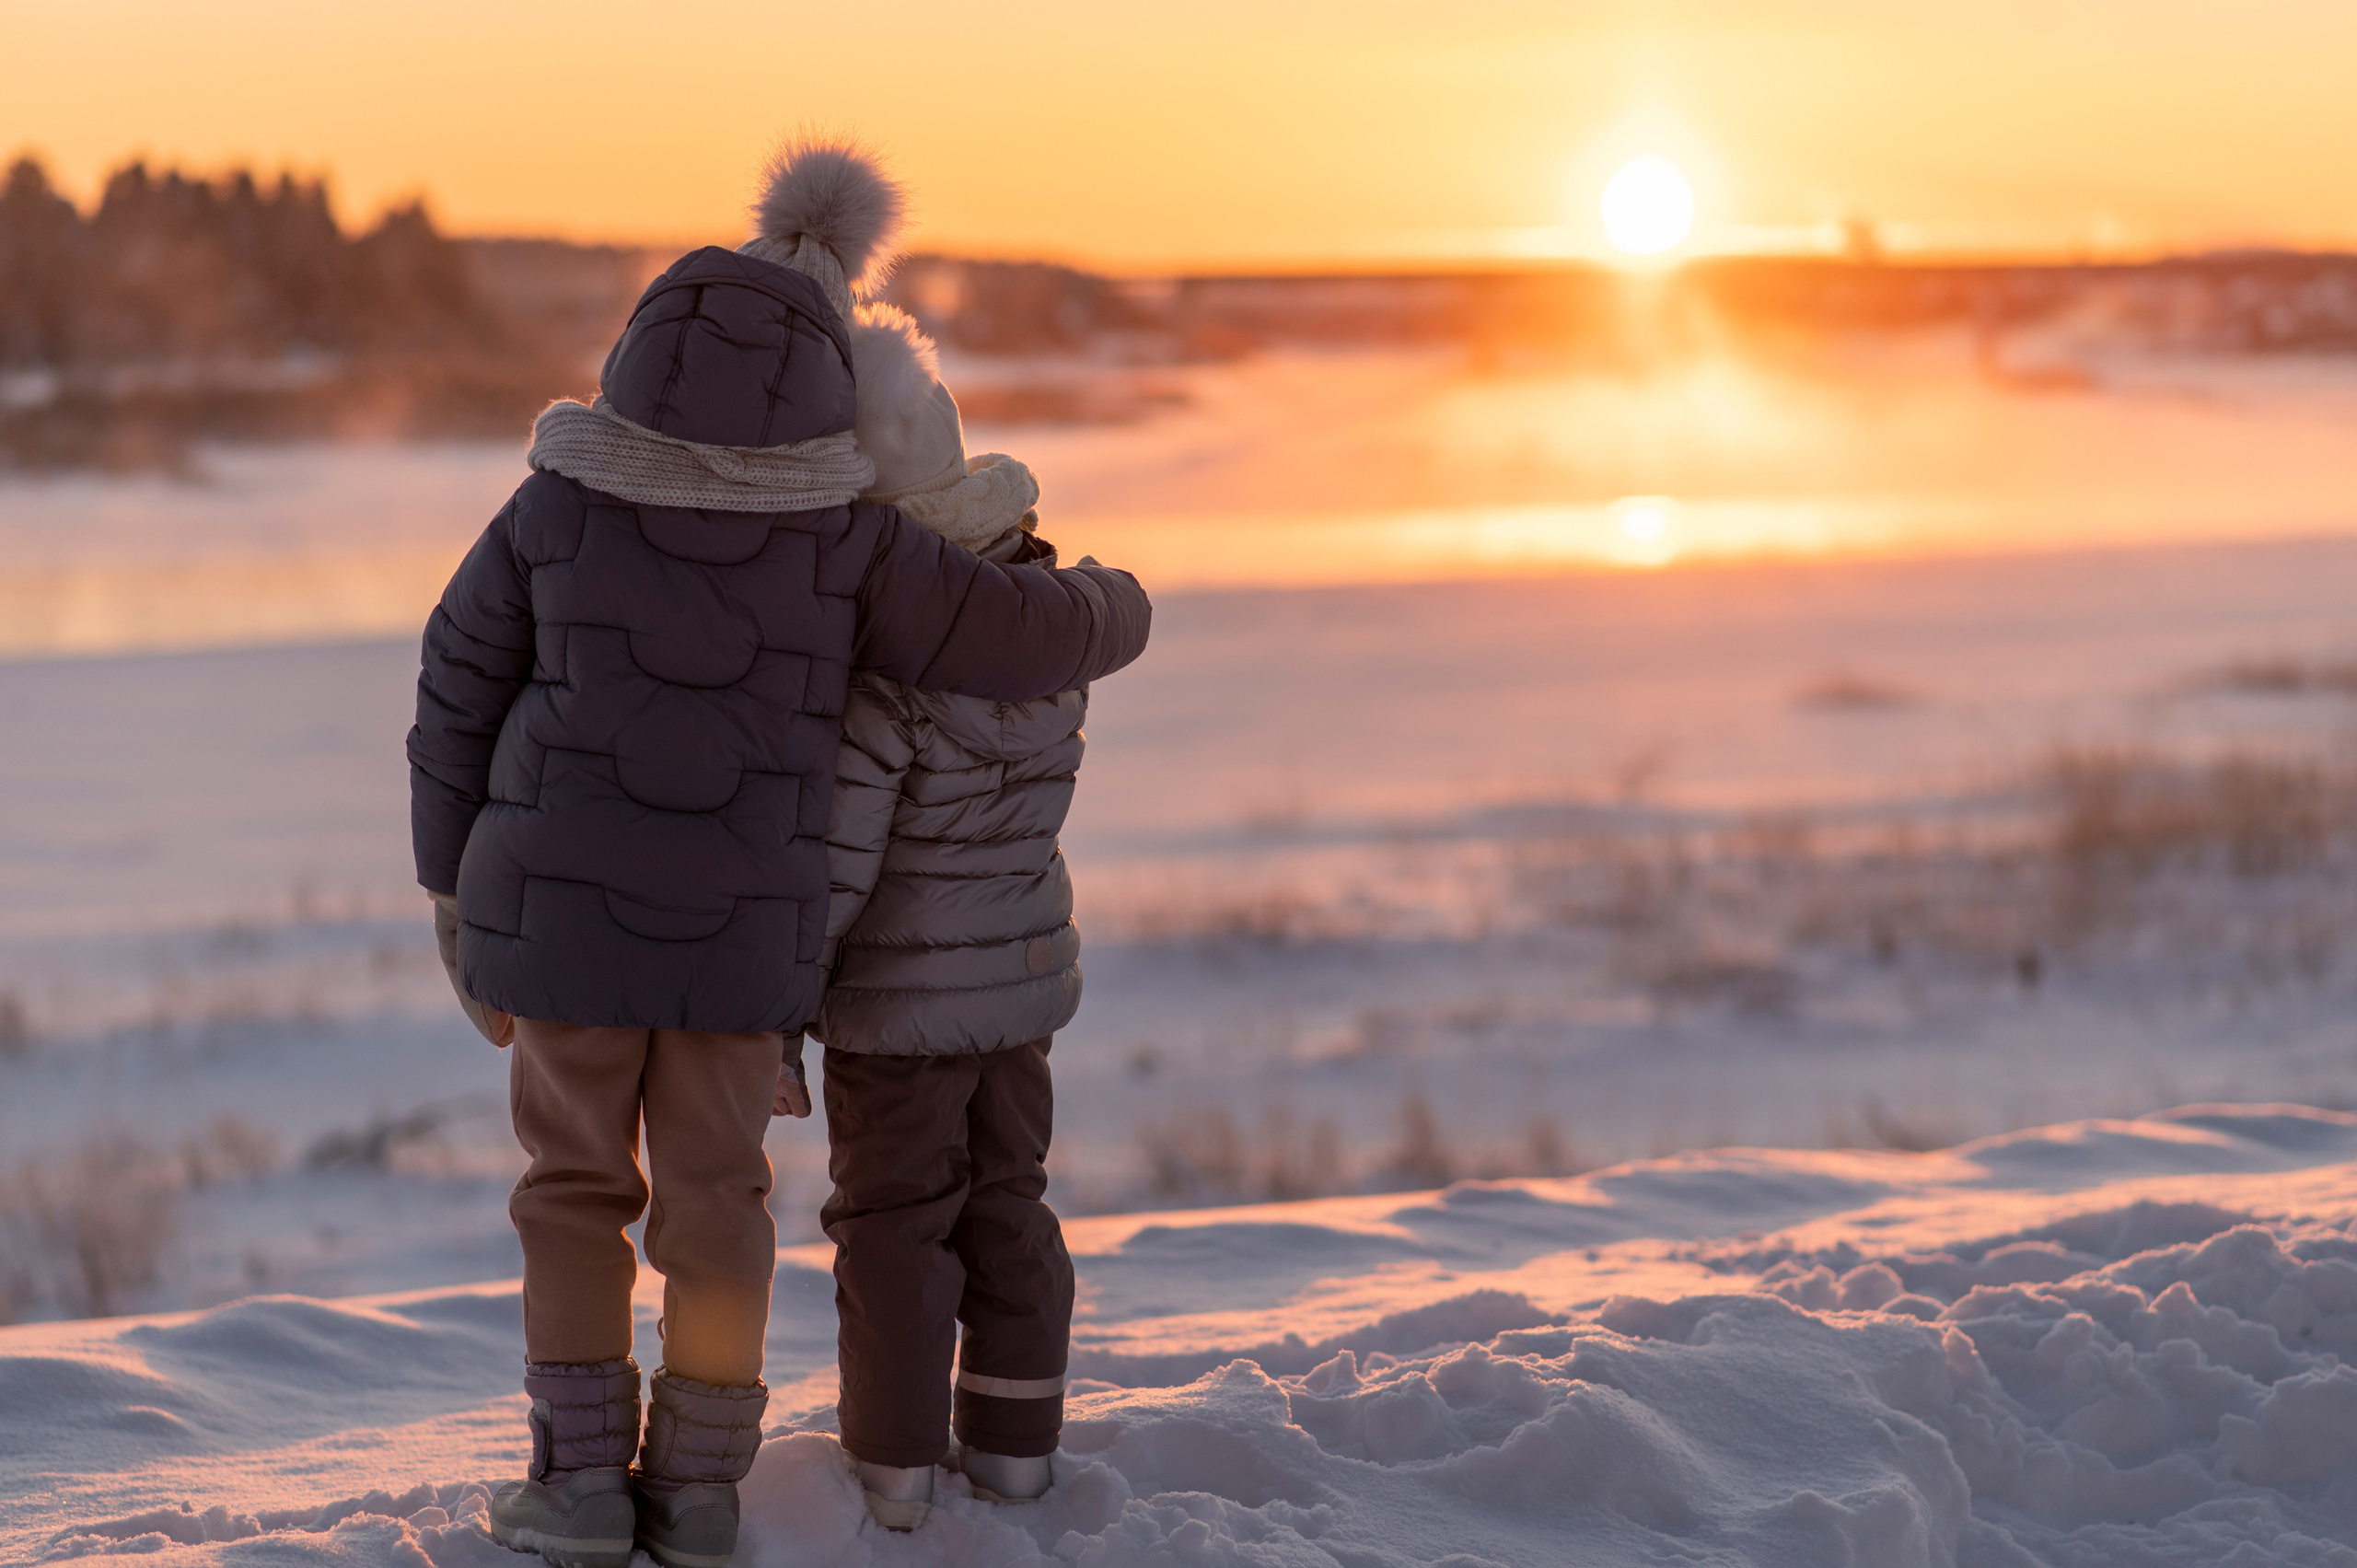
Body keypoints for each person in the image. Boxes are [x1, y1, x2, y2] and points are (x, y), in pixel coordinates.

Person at [408, 141, 1151, 1568]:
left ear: (638, 354)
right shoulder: (844, 541)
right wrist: (1122, 604)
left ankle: (577, 1485)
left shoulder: (556, 503)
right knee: (717, 1208)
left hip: (556, 929)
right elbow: (1019, 632)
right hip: (740, 946)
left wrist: (450, 879)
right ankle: (696, 1491)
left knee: (570, 1198)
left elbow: (455, 686)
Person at [805, 296, 1092, 1530]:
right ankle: (1017, 1446)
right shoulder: (1044, 639)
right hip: (1016, 989)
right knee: (1008, 1204)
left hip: (898, 1008)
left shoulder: (892, 674)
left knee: (894, 1227)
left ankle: (896, 1467)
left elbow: (837, 863)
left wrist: (782, 1001)